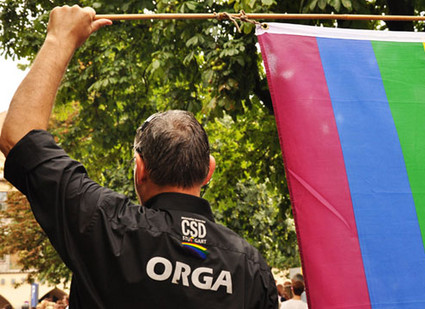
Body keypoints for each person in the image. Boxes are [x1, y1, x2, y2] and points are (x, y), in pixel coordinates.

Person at [0, 5, 278, 309]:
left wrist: (59, 39)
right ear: (208, 171)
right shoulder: (252, 268)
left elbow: (18, 136)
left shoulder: (105, 225)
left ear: (140, 168)